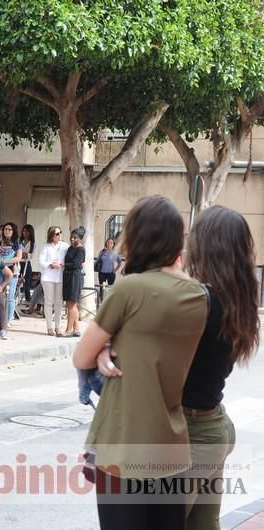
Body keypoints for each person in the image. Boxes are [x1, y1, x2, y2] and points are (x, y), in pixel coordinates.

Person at [98, 205, 260, 530]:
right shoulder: (235, 300)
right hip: (213, 426)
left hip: (190, 435)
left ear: (205, 247)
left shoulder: (198, 302)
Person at [73, 195, 209, 530]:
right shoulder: (198, 296)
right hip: (172, 446)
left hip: (124, 446)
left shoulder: (129, 289)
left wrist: (104, 349)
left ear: (136, 237)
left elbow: (81, 356)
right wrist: (110, 345)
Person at [39, 225, 67, 336]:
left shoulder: (65, 246)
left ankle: (58, 326)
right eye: (57, 234)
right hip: (48, 277)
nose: (59, 235)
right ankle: (49, 327)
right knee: (49, 302)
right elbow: (41, 261)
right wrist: (50, 265)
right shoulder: (46, 246)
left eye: (60, 232)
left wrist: (64, 264)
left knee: (58, 303)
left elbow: (69, 258)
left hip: (60, 277)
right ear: (52, 236)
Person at [62, 226, 86, 337]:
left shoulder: (81, 249)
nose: (72, 239)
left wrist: (64, 265)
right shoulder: (71, 248)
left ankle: (68, 330)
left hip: (75, 277)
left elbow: (76, 264)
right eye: (71, 237)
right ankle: (76, 329)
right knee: (71, 304)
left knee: (72, 304)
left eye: (75, 238)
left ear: (80, 239)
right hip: (68, 276)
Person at [0, 222, 22, 325]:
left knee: (10, 297)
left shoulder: (18, 243)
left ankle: (9, 319)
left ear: (13, 231)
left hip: (12, 271)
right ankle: (1, 317)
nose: (6, 231)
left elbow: (18, 258)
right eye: (5, 229)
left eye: (9, 229)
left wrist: (4, 262)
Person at [20, 224, 36, 301]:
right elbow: (17, 253)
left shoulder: (33, 243)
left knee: (27, 282)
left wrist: (23, 254)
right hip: (18, 263)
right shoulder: (19, 241)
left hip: (27, 263)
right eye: (24, 231)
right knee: (17, 280)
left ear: (30, 233)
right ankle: (17, 296)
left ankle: (27, 299)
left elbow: (31, 256)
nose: (25, 233)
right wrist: (24, 254)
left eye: (27, 231)